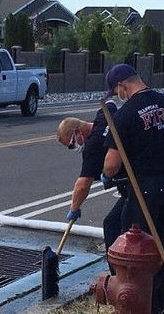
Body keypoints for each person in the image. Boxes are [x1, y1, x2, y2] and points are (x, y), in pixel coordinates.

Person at [102, 64, 164, 314]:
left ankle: (142, 299)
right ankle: (160, 297)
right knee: (162, 239)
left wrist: (109, 174)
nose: (117, 95)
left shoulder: (127, 114)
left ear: (122, 86)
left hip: (143, 187)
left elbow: (110, 164)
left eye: (116, 91)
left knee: (138, 246)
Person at [56, 101, 126, 262]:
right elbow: (110, 104)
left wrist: (74, 208)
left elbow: (83, 184)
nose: (75, 147)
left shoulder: (92, 148)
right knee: (118, 222)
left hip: (134, 182)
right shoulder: (103, 117)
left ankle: (117, 271)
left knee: (112, 226)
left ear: (78, 131)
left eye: (72, 144)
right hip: (136, 174)